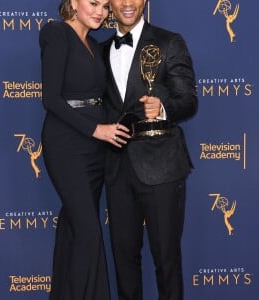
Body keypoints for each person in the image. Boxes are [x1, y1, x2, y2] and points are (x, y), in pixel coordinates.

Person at [102, 0, 198, 299]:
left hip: (162, 166)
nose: (127, 3)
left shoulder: (169, 42)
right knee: (123, 262)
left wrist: (164, 108)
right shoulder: (100, 50)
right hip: (117, 168)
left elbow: (189, 100)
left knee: (167, 261)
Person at [39, 0, 130, 299]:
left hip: (95, 149)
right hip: (66, 145)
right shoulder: (56, 33)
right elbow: (50, 99)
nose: (100, 12)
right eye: (93, 3)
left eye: (105, 6)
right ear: (73, 2)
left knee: (74, 229)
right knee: (89, 234)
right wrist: (96, 129)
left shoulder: (93, 43)